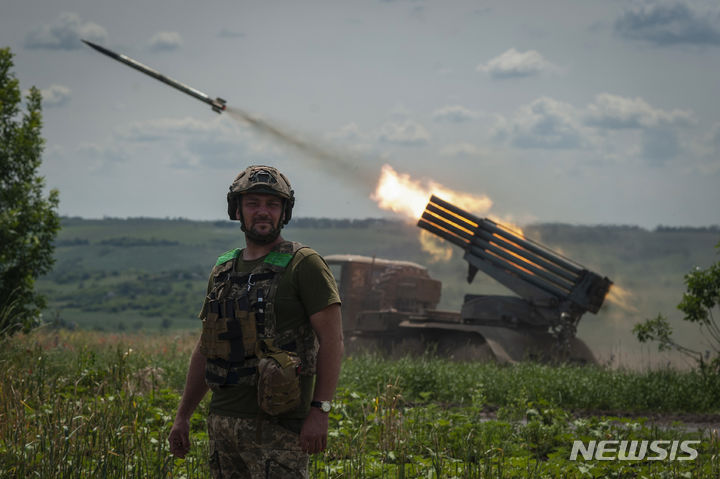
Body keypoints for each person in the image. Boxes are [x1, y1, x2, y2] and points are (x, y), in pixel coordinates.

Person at [168, 165, 343, 478]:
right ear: (237, 210)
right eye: (253, 204)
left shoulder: (305, 264)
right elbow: (205, 346)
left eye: (272, 204)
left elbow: (332, 341)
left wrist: (320, 411)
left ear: (284, 212)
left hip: (278, 428)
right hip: (222, 423)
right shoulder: (223, 270)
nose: (263, 212)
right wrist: (183, 416)